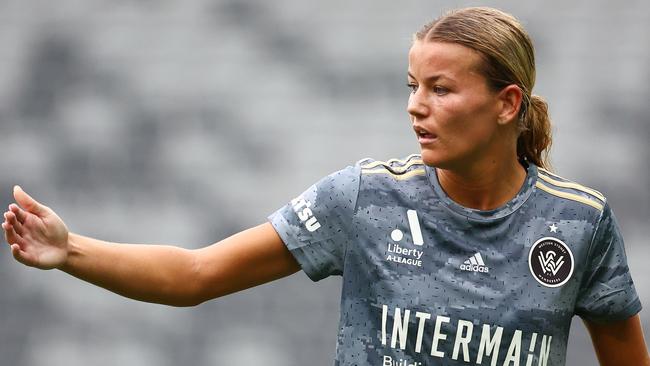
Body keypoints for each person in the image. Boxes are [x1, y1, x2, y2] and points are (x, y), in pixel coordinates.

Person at [3, 7, 649, 366]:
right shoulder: (364, 199)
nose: (415, 107)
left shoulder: (577, 224)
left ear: (507, 103)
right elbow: (196, 274)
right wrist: (70, 250)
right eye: (411, 86)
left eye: (441, 89)